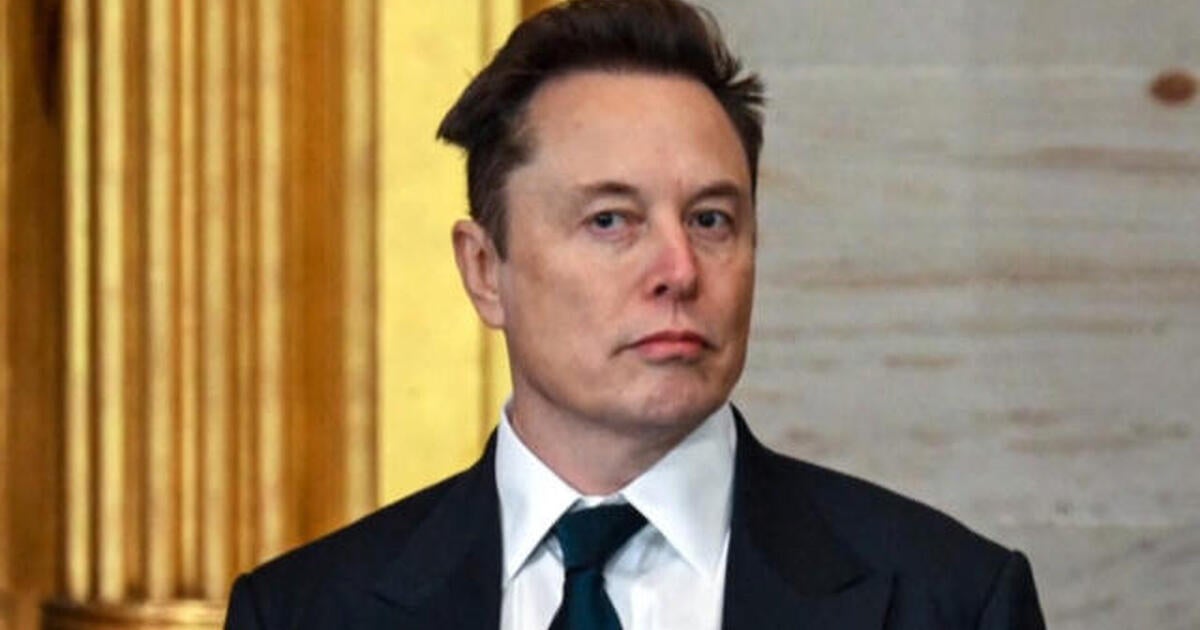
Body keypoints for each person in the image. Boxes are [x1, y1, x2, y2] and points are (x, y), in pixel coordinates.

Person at [225, 0, 1046, 628]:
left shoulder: (950, 600)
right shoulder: (303, 612)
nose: (679, 271)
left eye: (711, 220)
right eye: (611, 220)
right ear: (484, 271)